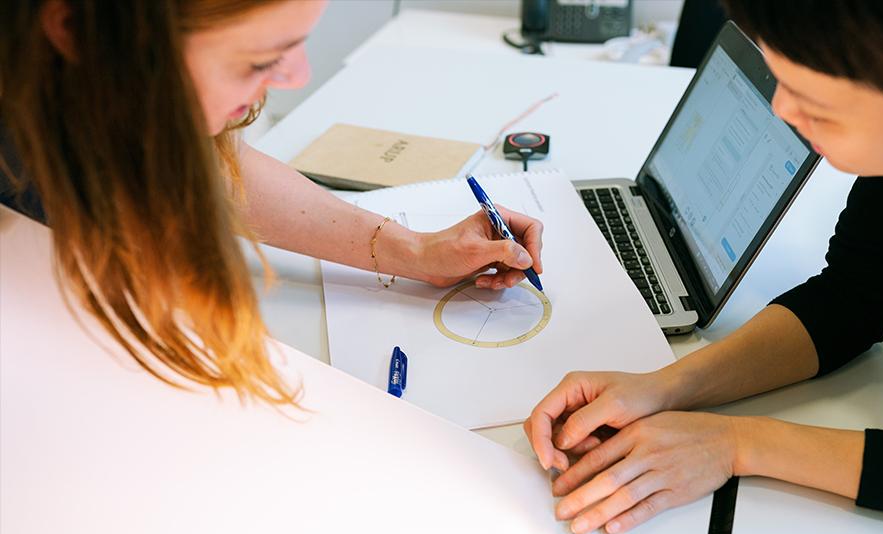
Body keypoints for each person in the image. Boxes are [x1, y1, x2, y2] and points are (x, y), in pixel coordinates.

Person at [525, 0, 883, 534]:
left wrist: (737, 444)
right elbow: (855, 296)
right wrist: (661, 388)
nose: (782, 112)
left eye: (819, 104)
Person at [0, 0, 543, 405]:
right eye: (261, 58)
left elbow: (213, 164)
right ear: (80, 31)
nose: (298, 76)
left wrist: (415, 251)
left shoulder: (105, 88)